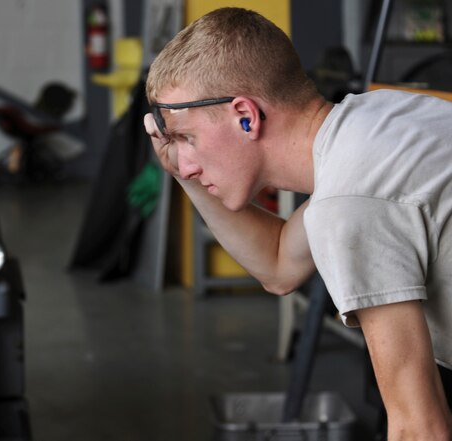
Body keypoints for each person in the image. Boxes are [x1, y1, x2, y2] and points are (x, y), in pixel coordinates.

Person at [144, 7, 452, 440]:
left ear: (245, 116)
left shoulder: (351, 198)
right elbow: (278, 265)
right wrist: (183, 173)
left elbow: (421, 429)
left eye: (187, 139)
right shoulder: (371, 125)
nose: (187, 163)